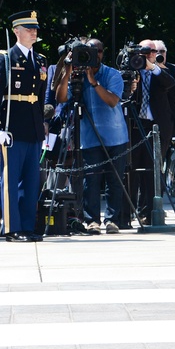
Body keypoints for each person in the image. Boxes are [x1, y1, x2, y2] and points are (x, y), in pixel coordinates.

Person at [0, 10, 47, 242]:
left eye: (35, 29)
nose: (33, 32)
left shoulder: (39, 60)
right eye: (29, 28)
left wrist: (43, 124)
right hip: (12, 127)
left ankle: (28, 226)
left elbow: (40, 97)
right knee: (11, 181)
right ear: (16, 31)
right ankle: (12, 228)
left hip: (32, 128)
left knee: (31, 181)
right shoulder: (5, 58)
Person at [55, 39, 128, 233]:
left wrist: (93, 82)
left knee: (114, 179)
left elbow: (112, 101)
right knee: (91, 181)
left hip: (115, 136)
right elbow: (61, 98)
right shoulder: (76, 75)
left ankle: (112, 220)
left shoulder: (112, 74)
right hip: (89, 137)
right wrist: (68, 71)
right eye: (90, 51)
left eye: (99, 51)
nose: (95, 54)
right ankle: (92, 221)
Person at [127, 39, 175, 224]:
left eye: (152, 51)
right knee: (132, 170)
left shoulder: (162, 71)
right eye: (145, 52)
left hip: (156, 128)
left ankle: (150, 212)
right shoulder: (132, 71)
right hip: (134, 126)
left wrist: (152, 67)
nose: (149, 55)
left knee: (153, 171)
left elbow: (171, 85)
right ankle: (130, 212)